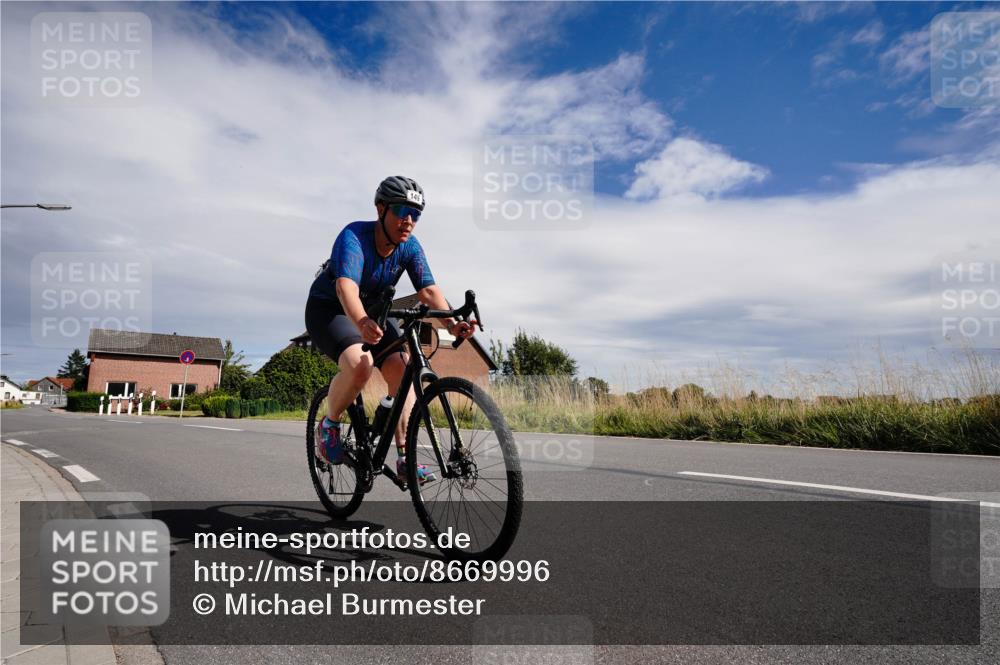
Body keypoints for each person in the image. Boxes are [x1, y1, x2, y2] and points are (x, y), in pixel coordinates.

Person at [304, 175, 474, 484]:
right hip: (330, 309)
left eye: (417, 214)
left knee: (403, 368)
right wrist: (361, 323)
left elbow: (429, 291)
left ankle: (404, 458)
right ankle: (328, 424)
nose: (409, 221)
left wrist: (453, 323)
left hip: (374, 312)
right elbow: (345, 289)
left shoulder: (409, 247)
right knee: (360, 365)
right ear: (381, 208)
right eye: (401, 211)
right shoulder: (354, 237)